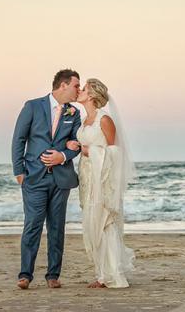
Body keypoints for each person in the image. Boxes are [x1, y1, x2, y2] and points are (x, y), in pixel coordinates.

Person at [11, 69, 82, 290]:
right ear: (63, 85)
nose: (78, 90)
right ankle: (25, 275)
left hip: (61, 179)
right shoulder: (33, 106)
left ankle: (53, 275)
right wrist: (19, 171)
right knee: (32, 225)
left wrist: (63, 155)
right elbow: (18, 139)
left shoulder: (74, 112)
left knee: (57, 227)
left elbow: (77, 143)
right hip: (34, 178)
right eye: (76, 86)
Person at [67, 78, 135, 288]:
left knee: (104, 222)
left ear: (92, 96)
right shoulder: (84, 120)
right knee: (91, 223)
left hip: (103, 179)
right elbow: (85, 143)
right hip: (87, 176)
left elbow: (115, 153)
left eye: (84, 89)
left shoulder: (104, 120)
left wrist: (88, 151)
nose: (79, 91)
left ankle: (112, 274)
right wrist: (75, 145)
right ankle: (100, 273)